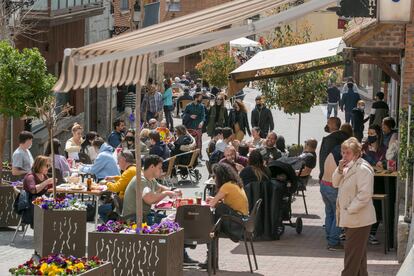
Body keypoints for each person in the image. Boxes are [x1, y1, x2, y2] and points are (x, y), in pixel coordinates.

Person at [332, 138, 376, 276]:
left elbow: (365, 195)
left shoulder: (363, 169)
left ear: (356, 154)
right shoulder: (348, 166)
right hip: (352, 219)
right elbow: (334, 183)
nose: (344, 155)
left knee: (351, 259)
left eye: (347, 153)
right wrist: (339, 169)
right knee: (359, 259)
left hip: (359, 220)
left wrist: (349, 209)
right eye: (343, 152)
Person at [122, 155, 182, 222]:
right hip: (134, 219)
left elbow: (161, 188)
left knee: (176, 219)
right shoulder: (140, 180)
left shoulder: (150, 179)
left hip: (144, 215)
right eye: (159, 168)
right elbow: (150, 199)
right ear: (152, 167)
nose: (161, 170)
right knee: (173, 221)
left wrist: (173, 190)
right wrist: (166, 193)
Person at [99, 150, 136, 222]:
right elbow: (125, 179)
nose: (117, 163)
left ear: (123, 160)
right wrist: (114, 178)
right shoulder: (134, 169)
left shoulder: (129, 171)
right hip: (132, 202)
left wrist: (106, 183)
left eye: (118, 160)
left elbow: (116, 188)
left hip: (125, 205)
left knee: (101, 209)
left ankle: (112, 228)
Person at [320, 143, 342, 251]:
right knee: (338, 215)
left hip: (324, 185)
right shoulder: (340, 155)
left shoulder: (331, 152)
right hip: (332, 187)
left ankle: (330, 238)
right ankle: (333, 242)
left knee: (329, 213)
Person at [22, 156, 54, 227]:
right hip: (30, 204)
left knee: (56, 204)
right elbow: (33, 190)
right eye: (47, 165)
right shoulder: (30, 176)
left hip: (40, 201)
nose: (48, 168)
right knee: (51, 206)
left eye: (49, 165)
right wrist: (46, 182)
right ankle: (45, 228)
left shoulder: (43, 176)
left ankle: (51, 227)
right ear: (39, 165)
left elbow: (47, 188)